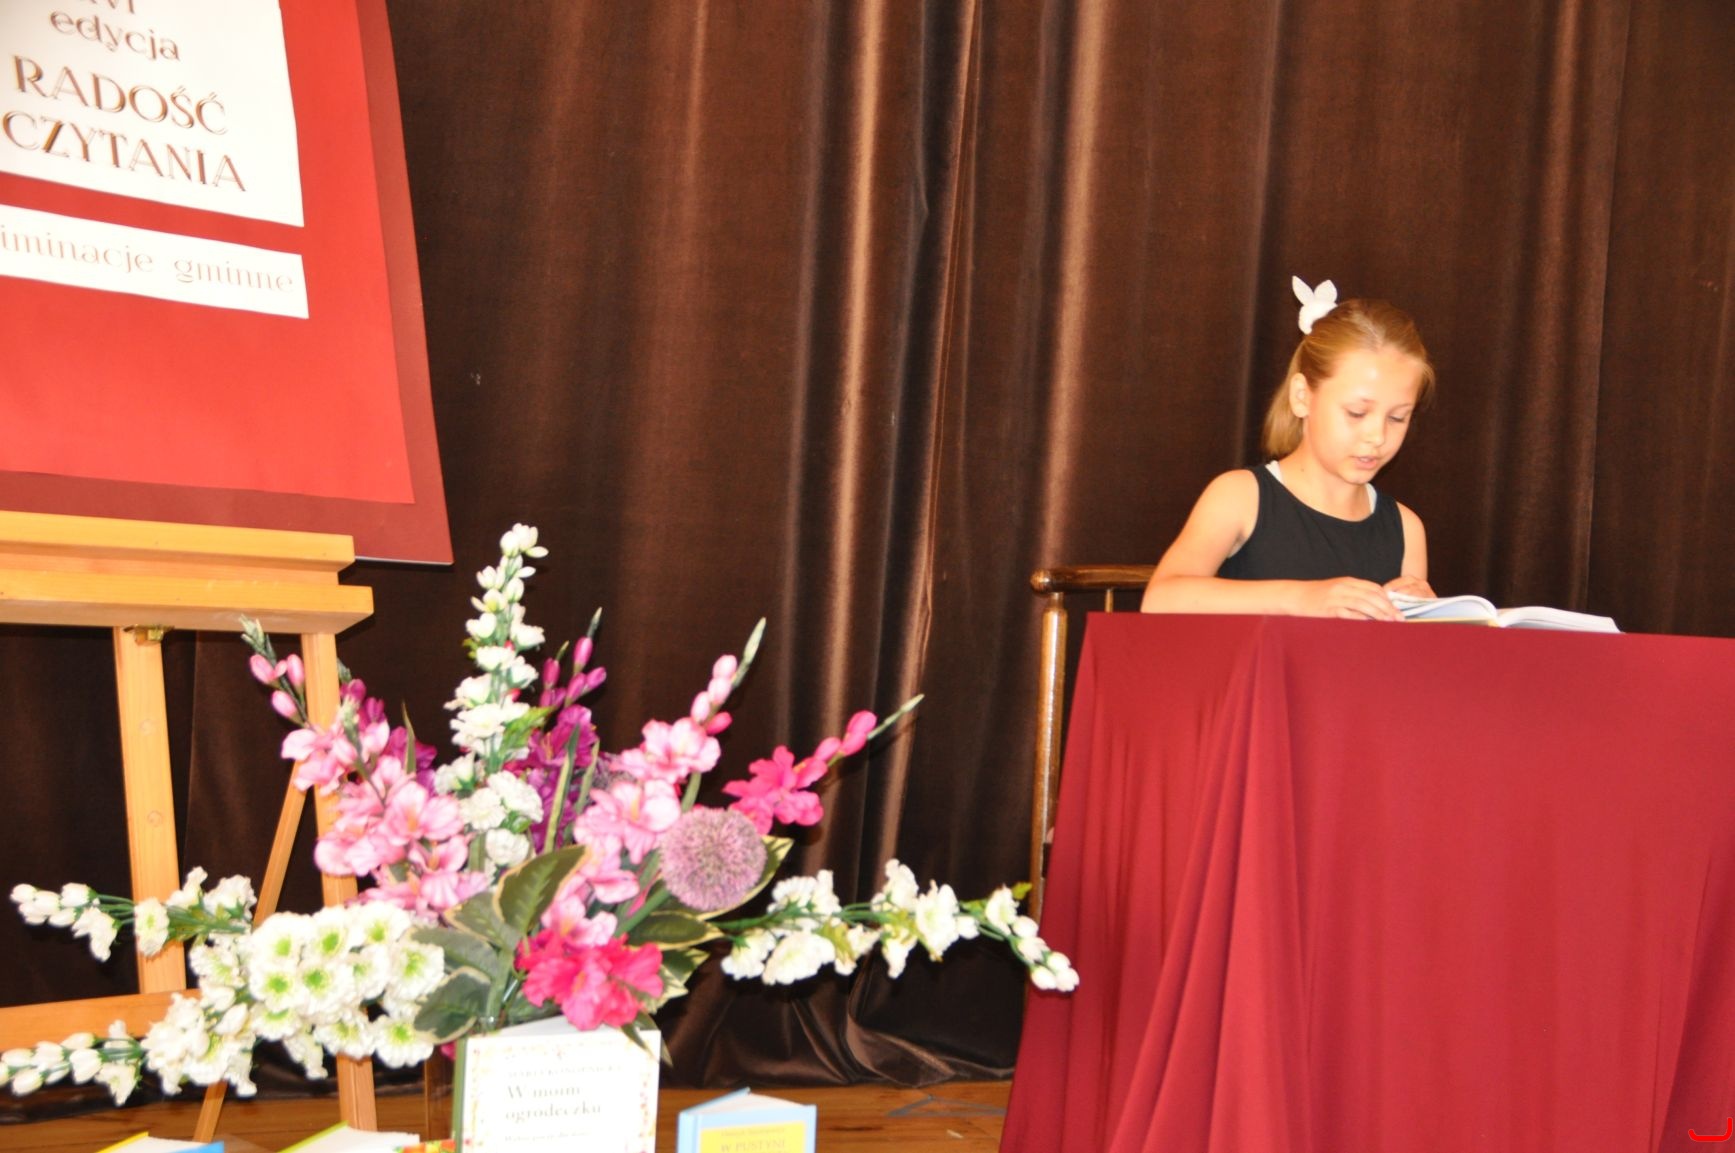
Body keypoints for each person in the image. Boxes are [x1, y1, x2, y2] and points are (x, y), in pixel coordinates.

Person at [1141, 278, 1435, 620]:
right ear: (1301, 396)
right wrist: (1301, 598)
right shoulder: (1240, 496)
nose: (1377, 436)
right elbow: (1160, 599)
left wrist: (1425, 615)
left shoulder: (1406, 528)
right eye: (1356, 413)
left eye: (1398, 418)